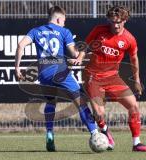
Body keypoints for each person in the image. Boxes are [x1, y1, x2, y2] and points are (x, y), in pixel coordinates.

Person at [15, 6, 98, 152]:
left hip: (44, 73)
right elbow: (73, 54)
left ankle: (49, 132)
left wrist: (17, 68)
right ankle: (95, 133)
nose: (64, 23)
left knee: (51, 102)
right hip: (60, 71)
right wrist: (79, 57)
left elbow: (20, 45)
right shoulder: (64, 31)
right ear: (59, 19)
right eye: (64, 21)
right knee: (80, 102)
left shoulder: (36, 31)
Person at [82, 6, 146, 152]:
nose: (115, 25)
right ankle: (105, 130)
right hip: (93, 77)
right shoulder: (99, 30)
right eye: (113, 22)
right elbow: (85, 45)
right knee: (99, 114)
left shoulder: (129, 39)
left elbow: (134, 58)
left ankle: (137, 143)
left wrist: (137, 80)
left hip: (113, 77)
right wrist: (79, 57)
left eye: (119, 22)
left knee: (133, 106)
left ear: (125, 20)